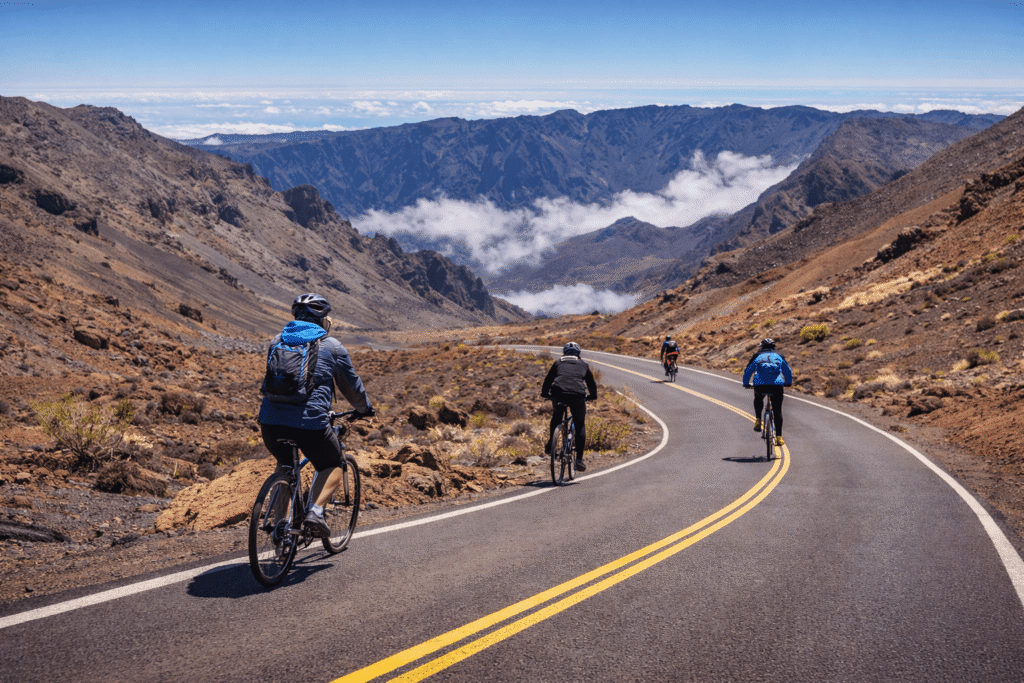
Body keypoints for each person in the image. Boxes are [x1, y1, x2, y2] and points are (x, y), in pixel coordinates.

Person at [258, 293, 375, 538]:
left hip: (270, 423)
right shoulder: (332, 346)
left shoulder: (276, 341)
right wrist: (364, 409)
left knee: (285, 465)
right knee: (332, 462)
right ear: (322, 319)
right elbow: (351, 387)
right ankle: (315, 513)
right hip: (309, 423)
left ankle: (280, 527)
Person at [541, 342, 598, 472]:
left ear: (564, 353)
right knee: (579, 425)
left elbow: (548, 380)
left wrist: (545, 394)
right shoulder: (583, 364)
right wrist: (593, 396)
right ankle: (579, 459)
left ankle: (551, 442)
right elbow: (591, 384)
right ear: (578, 354)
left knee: (557, 415)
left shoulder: (558, 362)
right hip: (577, 396)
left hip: (558, 394)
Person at [742, 338, 793, 446]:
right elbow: (787, 371)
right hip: (776, 386)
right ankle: (779, 437)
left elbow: (748, 370)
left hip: (760, 385)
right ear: (773, 347)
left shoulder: (757, 356)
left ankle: (758, 419)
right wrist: (788, 382)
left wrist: (746, 383)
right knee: (777, 411)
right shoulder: (779, 356)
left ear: (762, 347)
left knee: (758, 398)